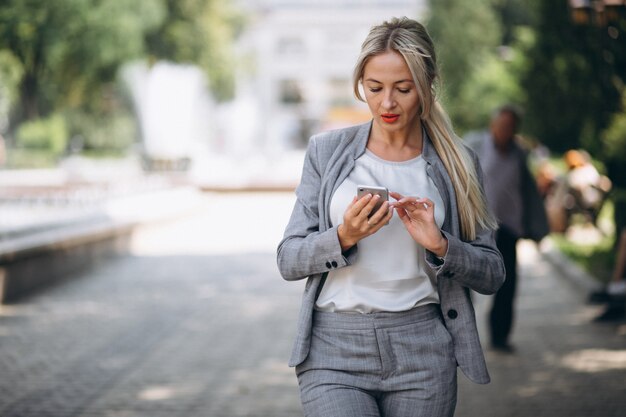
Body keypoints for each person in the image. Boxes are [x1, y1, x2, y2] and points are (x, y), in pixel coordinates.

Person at [277, 17, 505, 417]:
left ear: (427, 86)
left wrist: (441, 245)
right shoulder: (326, 152)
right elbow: (288, 259)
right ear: (360, 83)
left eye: (403, 89)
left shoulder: (459, 164)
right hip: (334, 351)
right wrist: (342, 236)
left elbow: (492, 273)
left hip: (423, 349)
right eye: (374, 88)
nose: (387, 103)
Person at [465, 105, 549, 353]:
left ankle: (500, 337)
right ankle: (464, 337)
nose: (505, 131)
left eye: (510, 127)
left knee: (507, 283)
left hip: (508, 228)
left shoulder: (519, 154)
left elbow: (527, 191)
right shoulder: (475, 145)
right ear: (492, 126)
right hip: (476, 227)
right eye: (501, 125)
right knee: (465, 281)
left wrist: (534, 226)